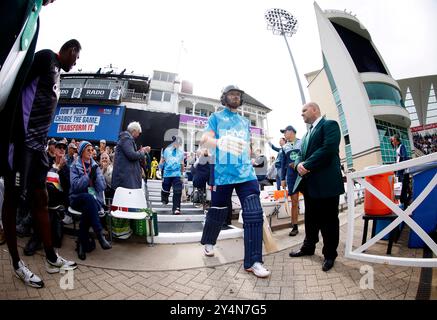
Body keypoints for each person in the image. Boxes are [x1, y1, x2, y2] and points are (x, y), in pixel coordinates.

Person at [0, 39, 81, 288]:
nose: (76, 62)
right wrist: (11, 133)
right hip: (21, 144)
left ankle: (50, 257)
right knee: (12, 202)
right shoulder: (46, 58)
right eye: (76, 57)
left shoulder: (57, 75)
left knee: (42, 199)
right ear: (69, 50)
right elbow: (15, 85)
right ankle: (16, 264)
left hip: (38, 148)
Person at [200, 85, 270, 278]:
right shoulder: (215, 118)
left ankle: (254, 261)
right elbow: (205, 139)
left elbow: (247, 145)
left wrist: (252, 155)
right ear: (224, 97)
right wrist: (218, 143)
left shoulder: (244, 121)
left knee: (254, 213)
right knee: (218, 211)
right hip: (223, 173)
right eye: (232, 94)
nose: (236, 97)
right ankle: (209, 242)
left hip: (246, 174)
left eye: (238, 95)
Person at [289, 102, 344, 272]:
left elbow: (329, 149)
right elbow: (298, 154)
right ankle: (308, 247)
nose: (302, 114)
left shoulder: (329, 125)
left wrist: (307, 165)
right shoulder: (306, 136)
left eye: (304, 110)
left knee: (329, 222)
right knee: (310, 220)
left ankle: (329, 255)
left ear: (314, 110)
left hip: (327, 184)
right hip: (310, 185)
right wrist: (298, 164)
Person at [70, 141, 112, 260]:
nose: (91, 152)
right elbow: (75, 187)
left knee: (88, 208)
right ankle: (100, 235)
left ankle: (81, 245)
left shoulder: (95, 166)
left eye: (92, 150)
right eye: (88, 150)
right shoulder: (75, 165)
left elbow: (101, 187)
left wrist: (96, 177)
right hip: (77, 198)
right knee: (89, 199)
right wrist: (88, 176)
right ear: (82, 151)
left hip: (91, 201)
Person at [280, 125, 302, 237]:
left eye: (285, 132)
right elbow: (283, 163)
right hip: (291, 177)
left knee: (309, 199)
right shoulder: (285, 147)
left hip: (303, 174)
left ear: (291, 132)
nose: (284, 135)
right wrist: (283, 178)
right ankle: (294, 226)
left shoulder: (303, 142)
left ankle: (313, 224)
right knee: (294, 201)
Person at [112, 121, 147, 190]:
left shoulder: (125, 139)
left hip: (126, 179)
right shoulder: (126, 139)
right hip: (125, 179)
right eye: (138, 133)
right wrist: (143, 152)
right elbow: (132, 155)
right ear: (134, 131)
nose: (138, 135)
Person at [160, 136, 185, 215]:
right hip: (167, 173)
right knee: (165, 188)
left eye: (179, 144)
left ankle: (176, 208)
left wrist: (182, 175)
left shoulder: (181, 152)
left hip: (177, 174)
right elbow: (162, 160)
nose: (178, 145)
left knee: (178, 191)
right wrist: (160, 169)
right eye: (177, 143)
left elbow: (182, 164)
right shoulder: (166, 150)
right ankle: (164, 198)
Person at [391, 134, 411, 209]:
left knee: (403, 191)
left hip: (403, 172)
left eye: (393, 141)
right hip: (399, 172)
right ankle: (405, 206)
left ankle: (405, 208)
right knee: (402, 190)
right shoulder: (398, 148)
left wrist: (399, 167)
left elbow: (405, 157)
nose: (392, 142)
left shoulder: (401, 146)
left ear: (396, 140)